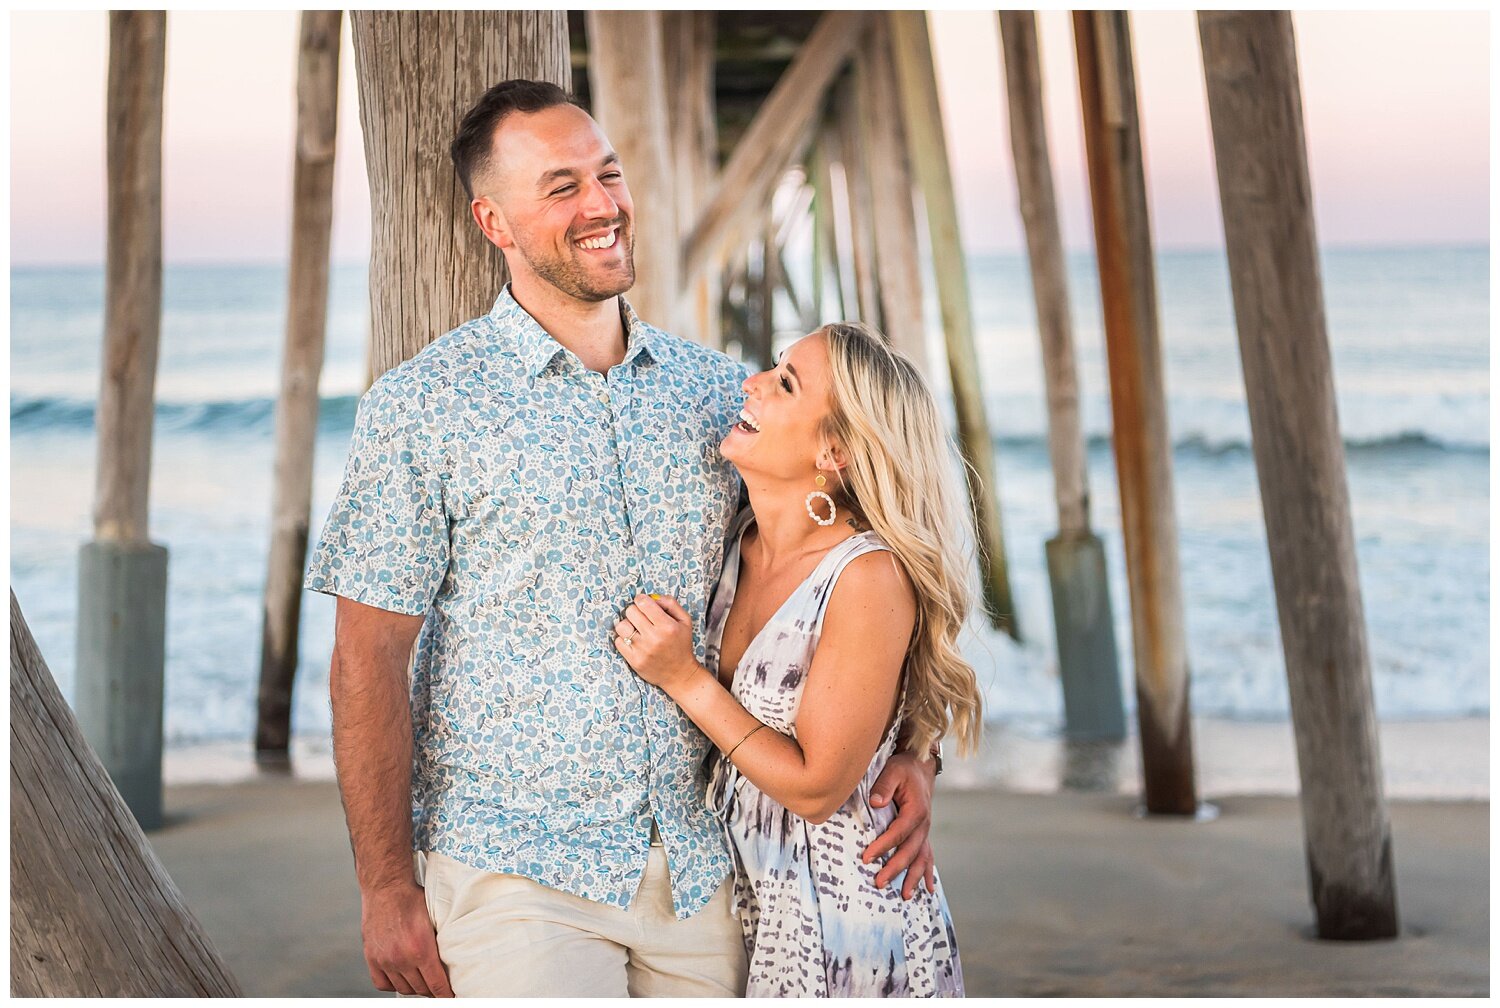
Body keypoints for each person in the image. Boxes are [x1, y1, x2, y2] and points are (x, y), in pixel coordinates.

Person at [304, 79, 939, 998]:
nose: (602, 205)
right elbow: (365, 662)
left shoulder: (720, 398)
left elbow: (877, 569)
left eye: (607, 174)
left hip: (706, 872)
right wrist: (384, 886)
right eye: (560, 188)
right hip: (517, 874)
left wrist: (916, 750)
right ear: (495, 222)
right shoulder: (423, 409)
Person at [613, 321, 980, 997]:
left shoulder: (866, 575)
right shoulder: (736, 541)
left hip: (849, 929)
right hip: (750, 914)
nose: (748, 384)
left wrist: (683, 679)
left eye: (786, 383)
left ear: (835, 449)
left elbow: (817, 788)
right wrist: (918, 756)